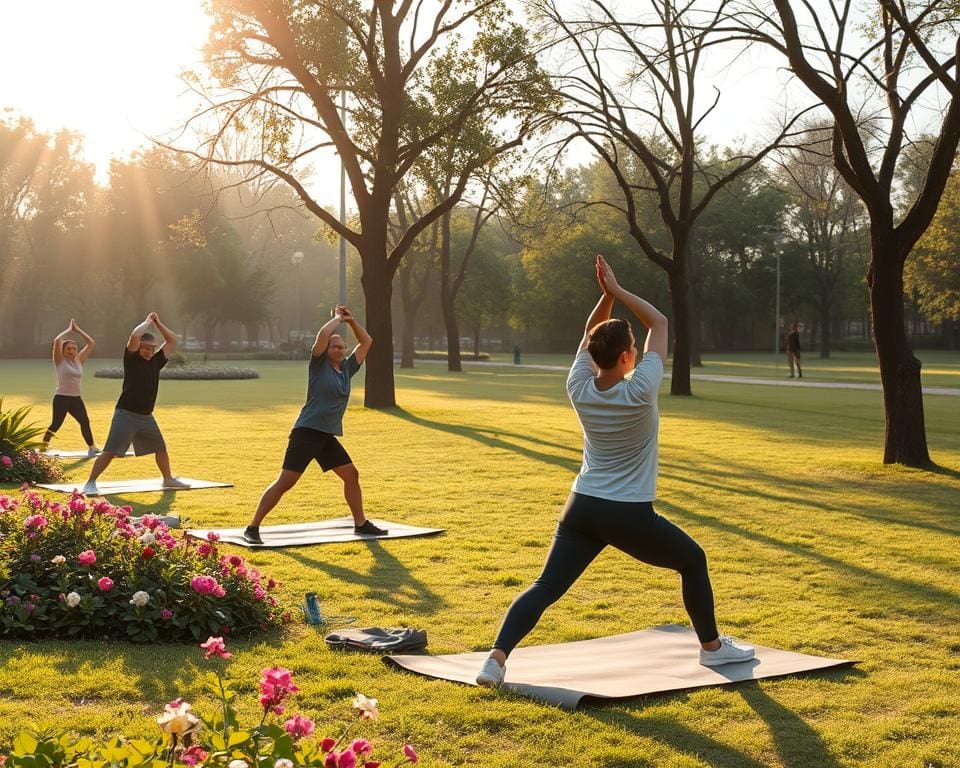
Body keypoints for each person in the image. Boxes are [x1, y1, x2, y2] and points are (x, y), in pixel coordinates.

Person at [475, 255, 754, 688]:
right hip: (627, 513)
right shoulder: (641, 390)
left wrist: (605, 297)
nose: (640, 353)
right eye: (635, 351)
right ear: (627, 357)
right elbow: (659, 323)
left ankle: (495, 659)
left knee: (545, 586)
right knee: (693, 561)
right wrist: (619, 292)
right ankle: (713, 650)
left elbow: (591, 338)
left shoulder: (578, 387)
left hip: (581, 507)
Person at [243, 305, 387, 545]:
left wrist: (351, 322)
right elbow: (321, 336)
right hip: (307, 433)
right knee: (286, 482)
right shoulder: (318, 365)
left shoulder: (347, 369)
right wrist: (337, 320)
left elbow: (366, 342)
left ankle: (360, 524)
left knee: (351, 475)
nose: (339, 350)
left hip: (326, 436)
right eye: (335, 346)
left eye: (342, 347)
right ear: (326, 349)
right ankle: (252, 527)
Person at [82, 313, 189, 495]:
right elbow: (134, 336)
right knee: (110, 451)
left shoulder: (156, 362)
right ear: (138, 348)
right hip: (126, 414)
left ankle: (168, 479)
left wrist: (158, 323)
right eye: (145, 348)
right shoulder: (131, 360)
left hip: (146, 416)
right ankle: (90, 482)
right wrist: (148, 322)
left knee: (161, 448)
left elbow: (172, 341)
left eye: (152, 349)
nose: (149, 351)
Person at [43, 319, 99, 456]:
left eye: (74, 349)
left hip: (76, 399)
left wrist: (78, 330)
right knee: (56, 424)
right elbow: (57, 340)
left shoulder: (79, 360)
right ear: (63, 350)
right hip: (61, 398)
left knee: (84, 421)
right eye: (68, 348)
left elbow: (91, 343)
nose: (72, 351)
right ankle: (43, 447)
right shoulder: (59, 360)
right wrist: (69, 329)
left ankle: (92, 447)